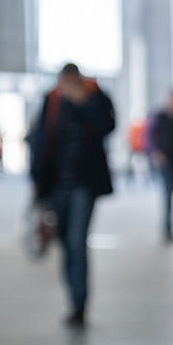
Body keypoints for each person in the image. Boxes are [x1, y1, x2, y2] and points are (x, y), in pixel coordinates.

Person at [28, 63, 115, 327]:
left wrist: (84, 103)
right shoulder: (52, 101)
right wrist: (36, 180)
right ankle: (73, 299)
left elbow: (107, 126)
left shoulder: (96, 97)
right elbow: (40, 139)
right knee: (65, 241)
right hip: (57, 184)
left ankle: (80, 303)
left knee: (77, 241)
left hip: (84, 185)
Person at [148, 90, 173, 242]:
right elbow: (150, 137)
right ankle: (167, 229)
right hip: (163, 161)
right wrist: (155, 153)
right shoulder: (159, 117)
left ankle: (169, 228)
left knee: (171, 193)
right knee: (168, 194)